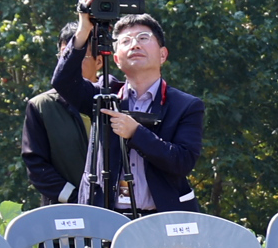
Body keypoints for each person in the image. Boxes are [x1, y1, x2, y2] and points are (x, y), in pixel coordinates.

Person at [53, 11, 202, 214]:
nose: (135, 45)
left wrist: (136, 133)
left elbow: (182, 162)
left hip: (163, 218)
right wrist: (83, 29)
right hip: (107, 218)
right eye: (126, 41)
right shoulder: (104, 97)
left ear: (162, 55)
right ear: (116, 59)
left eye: (143, 38)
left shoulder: (185, 105)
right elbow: (63, 81)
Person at [21, 19, 95, 204]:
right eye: (66, 55)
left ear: (100, 60)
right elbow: (37, 166)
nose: (70, 62)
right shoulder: (41, 106)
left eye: (79, 55)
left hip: (116, 210)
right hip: (64, 213)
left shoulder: (116, 99)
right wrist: (75, 197)